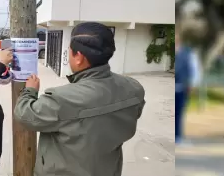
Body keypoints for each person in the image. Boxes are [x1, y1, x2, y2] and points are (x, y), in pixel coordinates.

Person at [13, 22, 146, 176]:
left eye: (69, 51)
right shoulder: (134, 88)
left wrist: (30, 91)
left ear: (79, 57)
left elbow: (24, 114)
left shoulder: (61, 99)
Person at [175, 27, 200, 144]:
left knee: (179, 112)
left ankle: (178, 136)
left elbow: (194, 69)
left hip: (182, 87)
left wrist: (193, 84)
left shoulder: (188, 52)